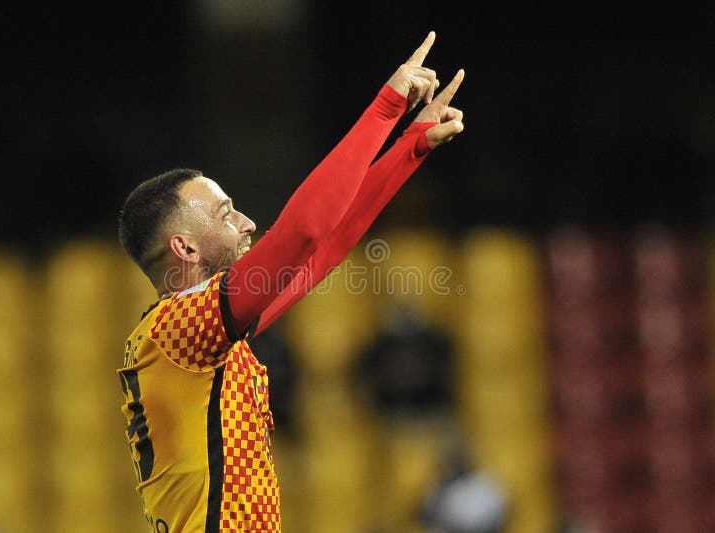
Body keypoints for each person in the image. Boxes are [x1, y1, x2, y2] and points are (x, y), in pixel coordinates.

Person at [116, 30, 465, 532]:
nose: (247, 224)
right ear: (185, 247)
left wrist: (410, 147)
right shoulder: (181, 329)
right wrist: (386, 109)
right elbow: (303, 232)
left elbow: (319, 253)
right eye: (226, 213)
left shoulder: (203, 334)